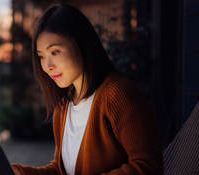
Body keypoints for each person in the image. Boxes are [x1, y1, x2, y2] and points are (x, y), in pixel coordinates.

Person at [10, 3, 163, 175]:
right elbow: (62, 170)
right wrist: (20, 172)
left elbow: (148, 166)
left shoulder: (118, 94)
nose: (47, 66)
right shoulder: (63, 106)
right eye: (41, 56)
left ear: (81, 45)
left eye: (55, 52)